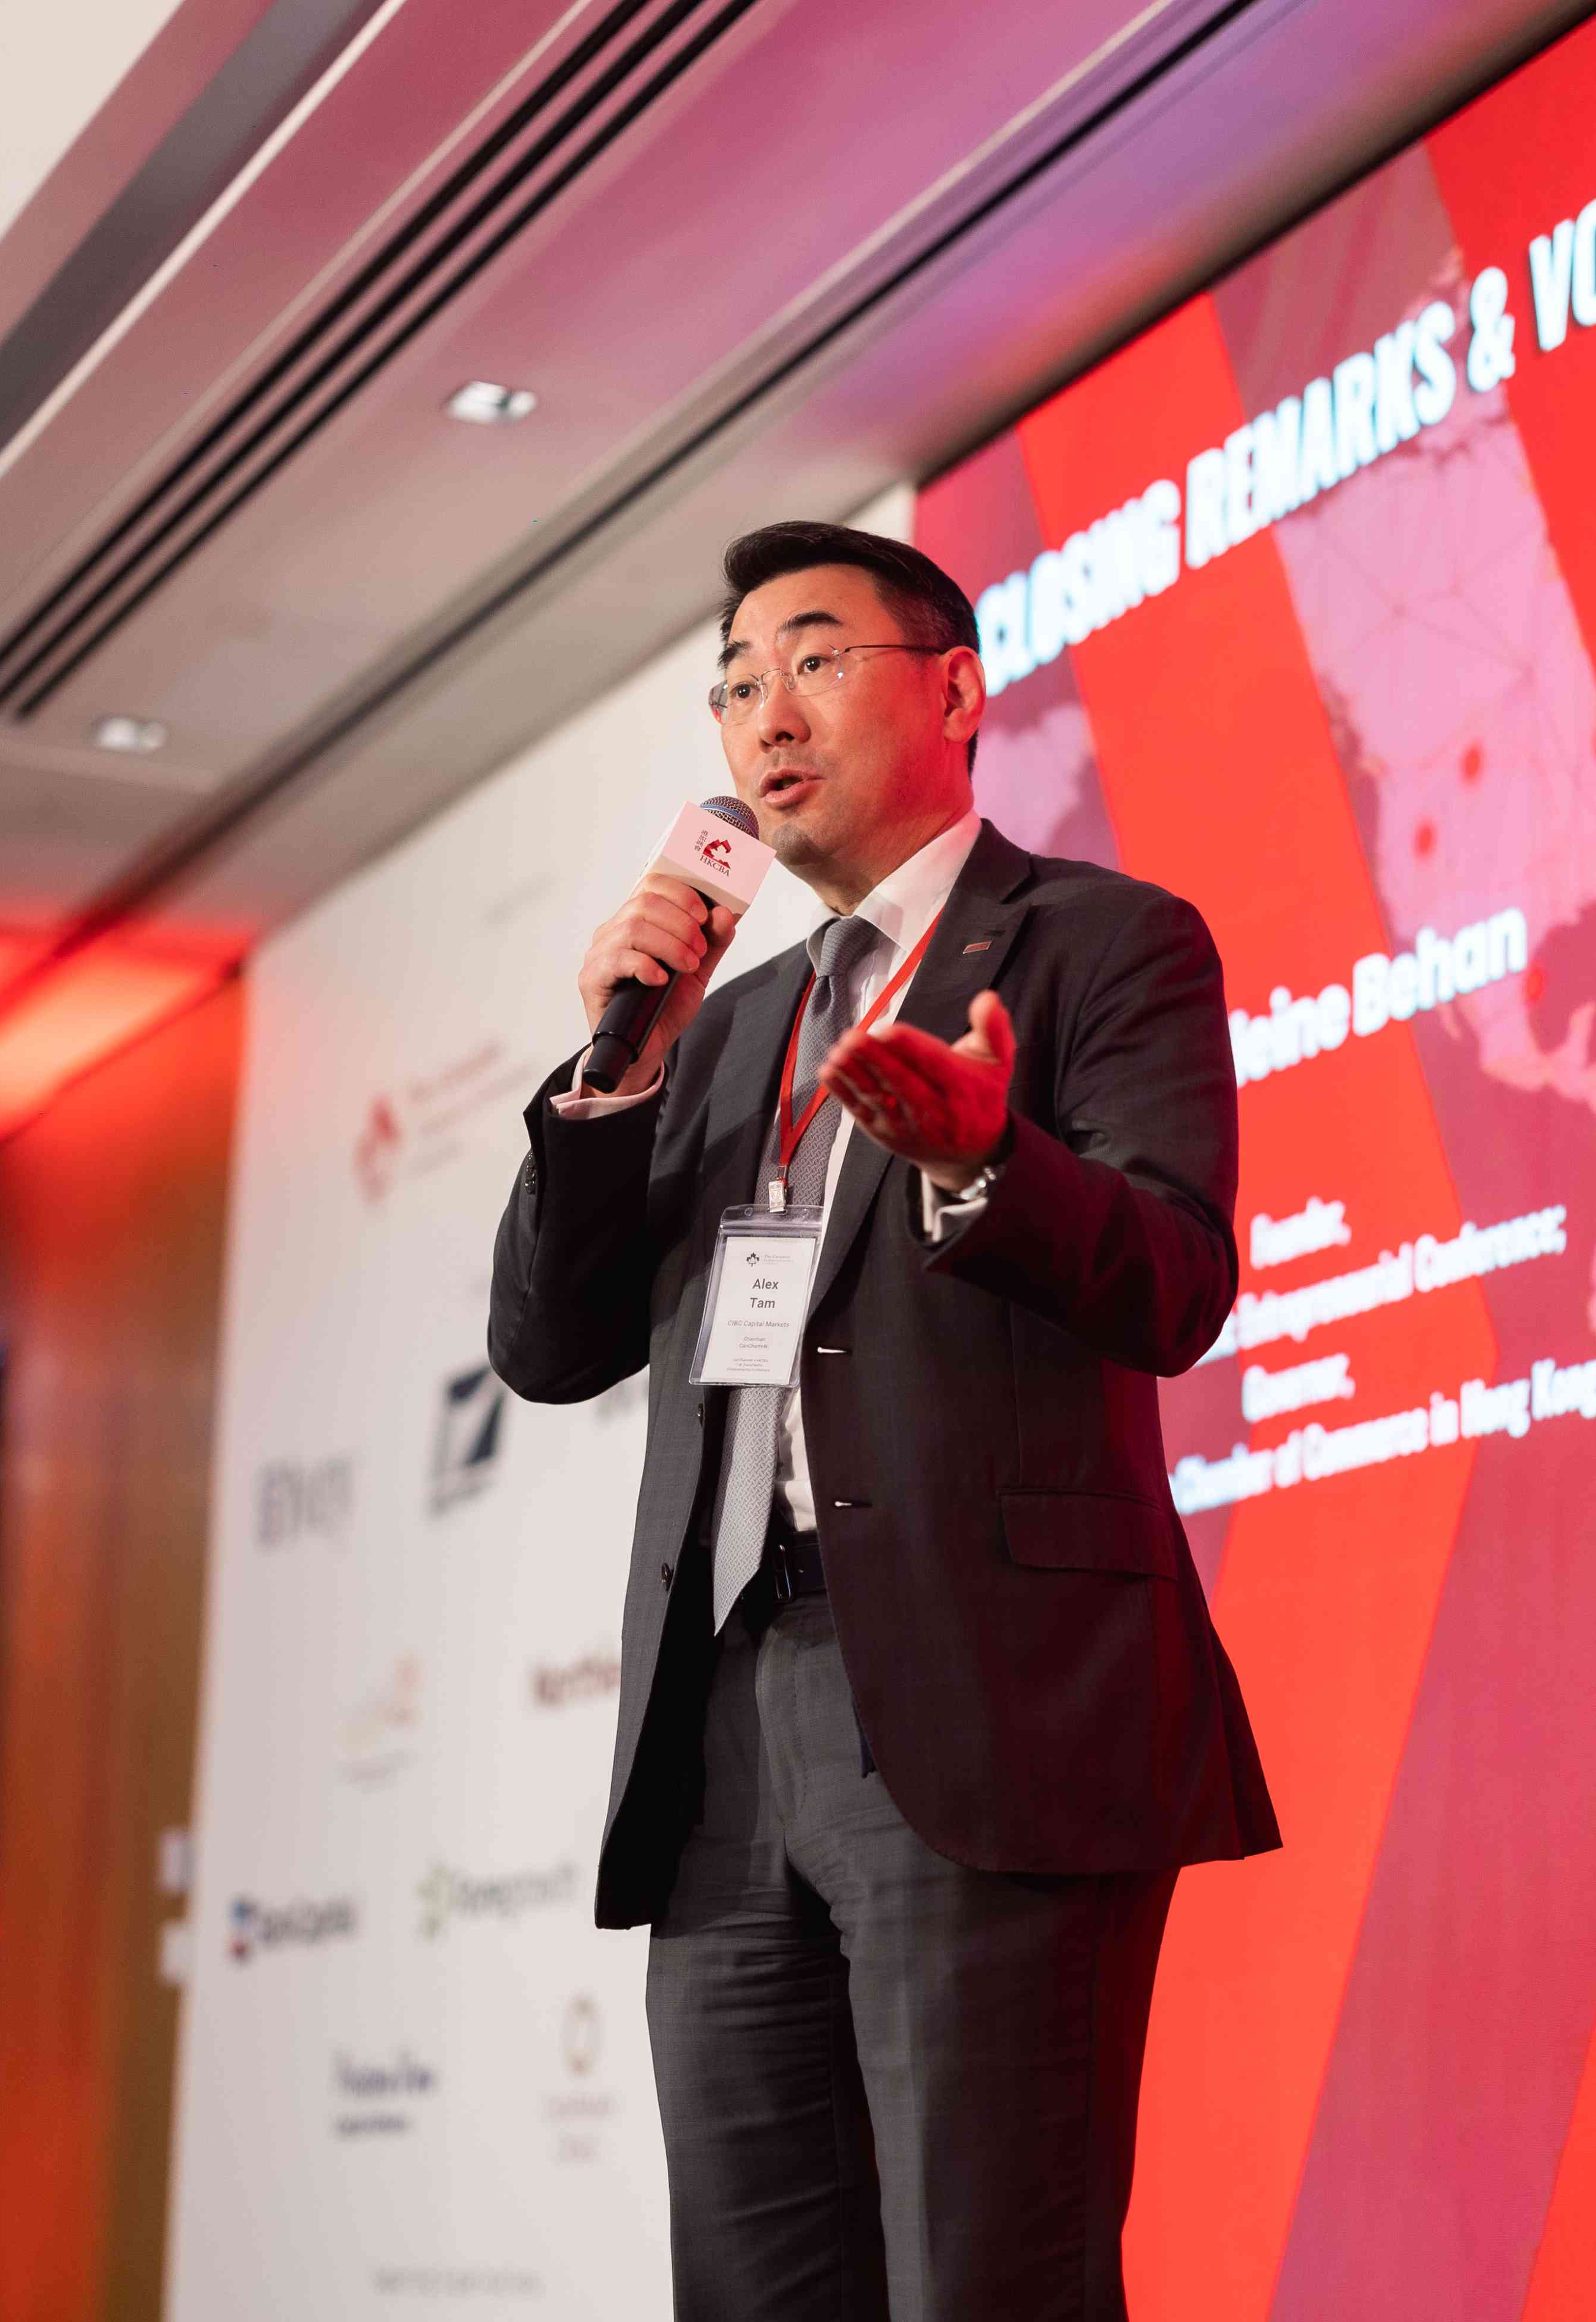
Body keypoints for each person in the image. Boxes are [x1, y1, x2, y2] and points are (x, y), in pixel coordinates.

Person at [489, 521, 1277, 2319]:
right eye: (733, 685)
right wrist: (614, 1082)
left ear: (957, 690)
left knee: (990, 2281)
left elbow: (1174, 1281)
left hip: (984, 1709)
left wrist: (989, 1162)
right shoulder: (723, 1027)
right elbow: (547, 1345)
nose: (765, 713)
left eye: (815, 661)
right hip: (721, 1735)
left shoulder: (1100, 943)